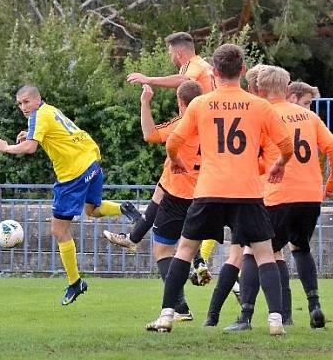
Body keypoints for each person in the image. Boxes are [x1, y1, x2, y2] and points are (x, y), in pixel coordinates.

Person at [145, 44, 294, 336]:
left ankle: (166, 316)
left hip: (209, 188)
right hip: (247, 190)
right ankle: (275, 320)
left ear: (214, 72)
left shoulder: (200, 104)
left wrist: (175, 162)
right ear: (242, 70)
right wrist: (280, 164)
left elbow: (173, 142)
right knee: (264, 254)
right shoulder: (259, 105)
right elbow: (286, 144)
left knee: (185, 250)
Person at [0, 85, 142, 305]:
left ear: (37, 99)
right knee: (93, 210)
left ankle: (75, 282)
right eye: (20, 104)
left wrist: (5, 147)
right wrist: (32, 134)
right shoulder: (49, 110)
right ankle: (124, 208)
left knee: (58, 230)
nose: (23, 107)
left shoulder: (37, 116)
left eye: (26, 102)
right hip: (91, 161)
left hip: (73, 175)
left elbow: (29, 148)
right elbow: (56, 134)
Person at [226, 66, 333, 332]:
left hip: (278, 194)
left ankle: (245, 317)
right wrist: (332, 182)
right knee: (300, 247)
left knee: (256, 251)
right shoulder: (307, 115)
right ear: (287, 87)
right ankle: (314, 305)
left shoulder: (262, 116)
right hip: (311, 195)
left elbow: (250, 157)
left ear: (260, 90)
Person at [109, 31, 217, 285]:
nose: (171, 57)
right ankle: (135, 237)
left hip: (186, 180)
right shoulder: (209, 70)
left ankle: (183, 291)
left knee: (165, 250)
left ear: (179, 52)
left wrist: (148, 83)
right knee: (164, 186)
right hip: (209, 158)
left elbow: (151, 133)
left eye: (170, 52)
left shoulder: (194, 66)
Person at [122, 81, 204, 321]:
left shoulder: (182, 124)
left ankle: (177, 309)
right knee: (190, 248)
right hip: (205, 195)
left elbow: (150, 134)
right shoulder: (211, 125)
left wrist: (145, 103)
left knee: (164, 251)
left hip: (178, 194)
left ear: (180, 102)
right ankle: (203, 269)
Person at [200, 63, 268, 327]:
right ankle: (281, 316)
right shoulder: (261, 111)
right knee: (263, 254)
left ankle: (224, 316)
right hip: (260, 192)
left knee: (242, 254)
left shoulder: (254, 111)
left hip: (248, 190)